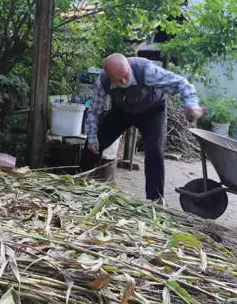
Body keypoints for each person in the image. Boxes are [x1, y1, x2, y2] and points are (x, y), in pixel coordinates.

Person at [80, 54, 205, 201]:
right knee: (92, 144)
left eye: (125, 75)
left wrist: (192, 105)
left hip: (152, 111)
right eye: (118, 80)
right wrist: (93, 138)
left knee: (154, 153)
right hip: (122, 111)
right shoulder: (102, 81)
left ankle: (155, 201)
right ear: (108, 76)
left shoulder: (146, 70)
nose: (124, 81)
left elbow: (181, 83)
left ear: (128, 64)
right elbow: (94, 111)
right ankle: (82, 185)